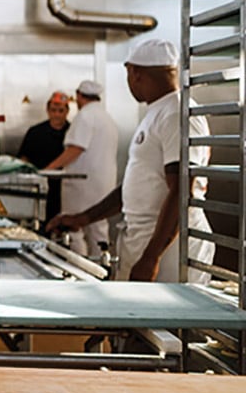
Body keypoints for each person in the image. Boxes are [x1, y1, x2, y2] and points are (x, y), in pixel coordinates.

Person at [48, 39, 214, 283]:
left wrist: (151, 257)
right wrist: (82, 219)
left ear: (135, 73)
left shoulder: (176, 113)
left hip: (169, 251)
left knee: (166, 320)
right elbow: (132, 187)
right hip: (145, 242)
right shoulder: (157, 112)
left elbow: (181, 190)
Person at [43, 80, 118, 256]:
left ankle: (78, 270)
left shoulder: (85, 116)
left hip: (82, 186)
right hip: (103, 184)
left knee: (72, 227)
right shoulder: (106, 118)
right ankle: (101, 269)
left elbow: (75, 148)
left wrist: (49, 169)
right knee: (98, 228)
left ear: (79, 96)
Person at [17, 91, 70, 222]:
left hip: (64, 189)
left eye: (60, 110)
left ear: (67, 111)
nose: (56, 114)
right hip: (38, 188)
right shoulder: (35, 132)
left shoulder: (72, 132)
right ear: (47, 110)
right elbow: (23, 159)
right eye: (53, 110)